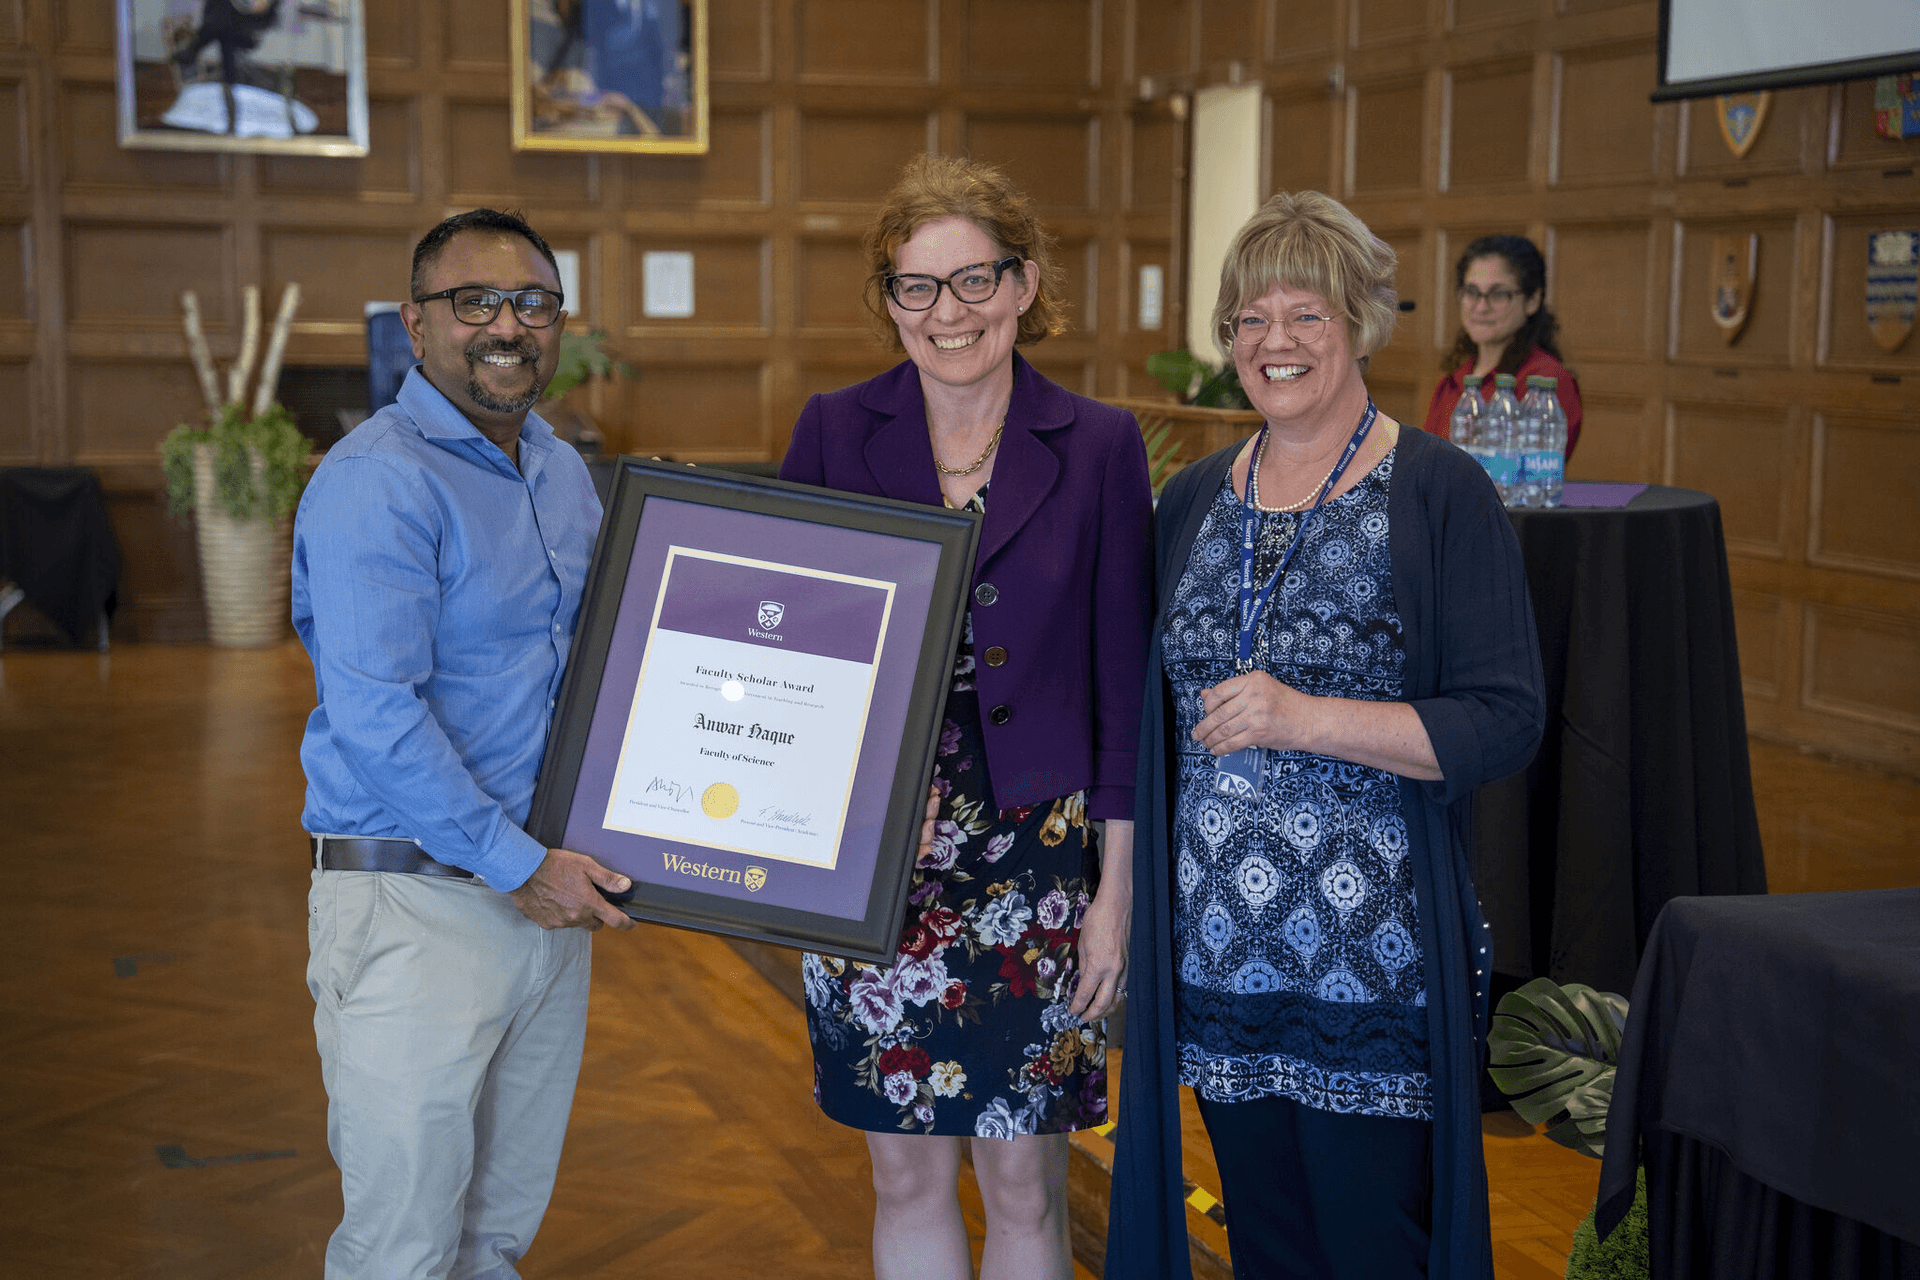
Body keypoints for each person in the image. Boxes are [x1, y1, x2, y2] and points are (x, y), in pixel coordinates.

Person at [1107, 191, 1545, 1279]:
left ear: (1357, 320)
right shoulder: (1195, 497)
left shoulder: (1441, 489)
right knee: (1267, 1243)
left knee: (1371, 1245)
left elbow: (1506, 718)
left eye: (1305, 313)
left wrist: (1306, 717)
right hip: (1217, 953)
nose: (1276, 343)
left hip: (1372, 963)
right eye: (1250, 319)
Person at [780, 153, 1152, 1280]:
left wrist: (1114, 892)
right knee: (901, 1173)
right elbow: (785, 648)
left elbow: (1124, 682)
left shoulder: (1097, 443)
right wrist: (787, 846)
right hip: (870, 854)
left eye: (975, 280)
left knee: (1026, 1181)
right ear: (888, 299)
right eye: (916, 286)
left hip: (1037, 863)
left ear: (1026, 284)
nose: (948, 313)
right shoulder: (835, 430)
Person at [294, 208, 637, 1279]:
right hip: (414, 907)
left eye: (532, 302)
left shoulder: (562, 472)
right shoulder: (375, 480)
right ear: (416, 322)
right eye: (474, 301)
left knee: (493, 1240)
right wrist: (523, 862)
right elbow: (378, 715)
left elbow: (604, 674)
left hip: (545, 902)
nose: (507, 325)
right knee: (401, 1247)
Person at [1423, 234, 1583, 459]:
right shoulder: (1452, 383)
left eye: (1498, 294)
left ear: (1532, 301)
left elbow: (1531, 475)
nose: (1480, 307)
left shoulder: (1547, 384)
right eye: (1471, 291)